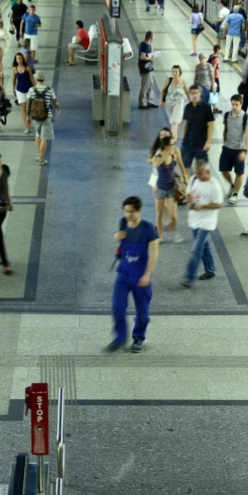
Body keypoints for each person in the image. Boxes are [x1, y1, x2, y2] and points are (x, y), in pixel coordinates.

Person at [107, 196, 159, 354]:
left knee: (142, 310)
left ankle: (138, 337)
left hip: (141, 275)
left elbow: (154, 253)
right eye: (126, 211)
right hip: (123, 273)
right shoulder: (123, 223)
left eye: (132, 211)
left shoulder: (148, 229)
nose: (128, 215)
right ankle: (120, 337)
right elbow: (119, 238)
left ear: (139, 210)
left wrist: (147, 274)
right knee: (117, 307)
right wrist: (116, 237)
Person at [182, 159, 223, 287]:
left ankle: (188, 278)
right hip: (194, 220)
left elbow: (219, 204)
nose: (198, 176)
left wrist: (203, 206)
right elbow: (188, 195)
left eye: (200, 173)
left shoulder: (214, 185)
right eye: (196, 173)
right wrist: (189, 202)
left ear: (207, 171)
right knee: (204, 246)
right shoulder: (194, 179)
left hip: (206, 222)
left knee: (196, 249)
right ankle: (210, 270)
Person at [149, 134, 187, 243]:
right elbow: (156, 164)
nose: (173, 146)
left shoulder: (174, 154)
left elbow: (173, 169)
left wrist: (181, 176)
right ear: (165, 146)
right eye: (171, 144)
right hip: (160, 188)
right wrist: (166, 153)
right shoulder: (159, 155)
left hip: (171, 188)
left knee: (173, 215)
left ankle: (174, 231)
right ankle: (160, 235)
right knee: (159, 214)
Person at [219, 94, 248, 202]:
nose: (234, 107)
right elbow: (225, 129)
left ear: (241, 104)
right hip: (227, 147)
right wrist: (224, 142)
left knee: (239, 173)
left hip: (239, 149)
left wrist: (244, 150)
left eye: (236, 105)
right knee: (223, 169)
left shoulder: (245, 117)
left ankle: (235, 194)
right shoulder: (227, 115)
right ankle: (232, 185)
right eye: (233, 104)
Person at [179, 85, 215, 169]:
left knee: (202, 169)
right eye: (192, 93)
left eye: (196, 93)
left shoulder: (206, 108)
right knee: (185, 167)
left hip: (201, 144)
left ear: (200, 94)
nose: (194, 95)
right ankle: (187, 182)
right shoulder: (187, 107)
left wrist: (208, 142)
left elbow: (211, 126)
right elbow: (186, 123)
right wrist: (184, 138)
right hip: (188, 143)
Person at [28, 71, 58, 165]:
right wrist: (58, 108)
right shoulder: (50, 89)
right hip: (46, 116)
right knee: (44, 137)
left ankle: (38, 154)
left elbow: (28, 104)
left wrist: (28, 116)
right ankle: (41, 159)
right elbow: (55, 101)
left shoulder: (32, 90)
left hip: (35, 116)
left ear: (36, 79)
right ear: (44, 79)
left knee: (38, 135)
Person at [148, 127, 174, 211]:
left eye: (166, 135)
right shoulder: (157, 149)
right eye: (161, 135)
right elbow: (150, 161)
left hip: (167, 179)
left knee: (165, 204)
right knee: (161, 205)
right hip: (156, 179)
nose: (163, 137)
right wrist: (156, 159)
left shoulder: (172, 150)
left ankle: (168, 221)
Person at [162, 66, 188, 135]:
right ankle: (175, 135)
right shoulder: (168, 80)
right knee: (172, 121)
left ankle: (173, 137)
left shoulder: (183, 82)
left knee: (174, 122)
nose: (175, 73)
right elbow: (163, 90)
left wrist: (192, 102)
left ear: (179, 73)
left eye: (176, 71)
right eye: (173, 71)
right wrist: (160, 101)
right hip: (169, 104)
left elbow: (187, 92)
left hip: (178, 104)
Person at [137, 31, 159, 108]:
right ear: (151, 37)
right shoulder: (145, 45)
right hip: (145, 68)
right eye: (153, 37)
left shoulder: (148, 44)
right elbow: (142, 56)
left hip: (149, 67)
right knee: (145, 86)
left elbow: (151, 52)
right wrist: (150, 58)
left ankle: (150, 101)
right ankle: (142, 103)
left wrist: (151, 46)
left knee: (151, 85)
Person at [13, 53, 34, 132]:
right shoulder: (15, 69)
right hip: (20, 90)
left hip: (28, 89)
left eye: (20, 58)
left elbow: (31, 78)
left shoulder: (27, 68)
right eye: (17, 58)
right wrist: (13, 89)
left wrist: (34, 87)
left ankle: (28, 119)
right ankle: (27, 126)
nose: (19, 60)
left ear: (23, 59)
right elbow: (14, 80)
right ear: (16, 60)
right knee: (23, 108)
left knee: (28, 108)